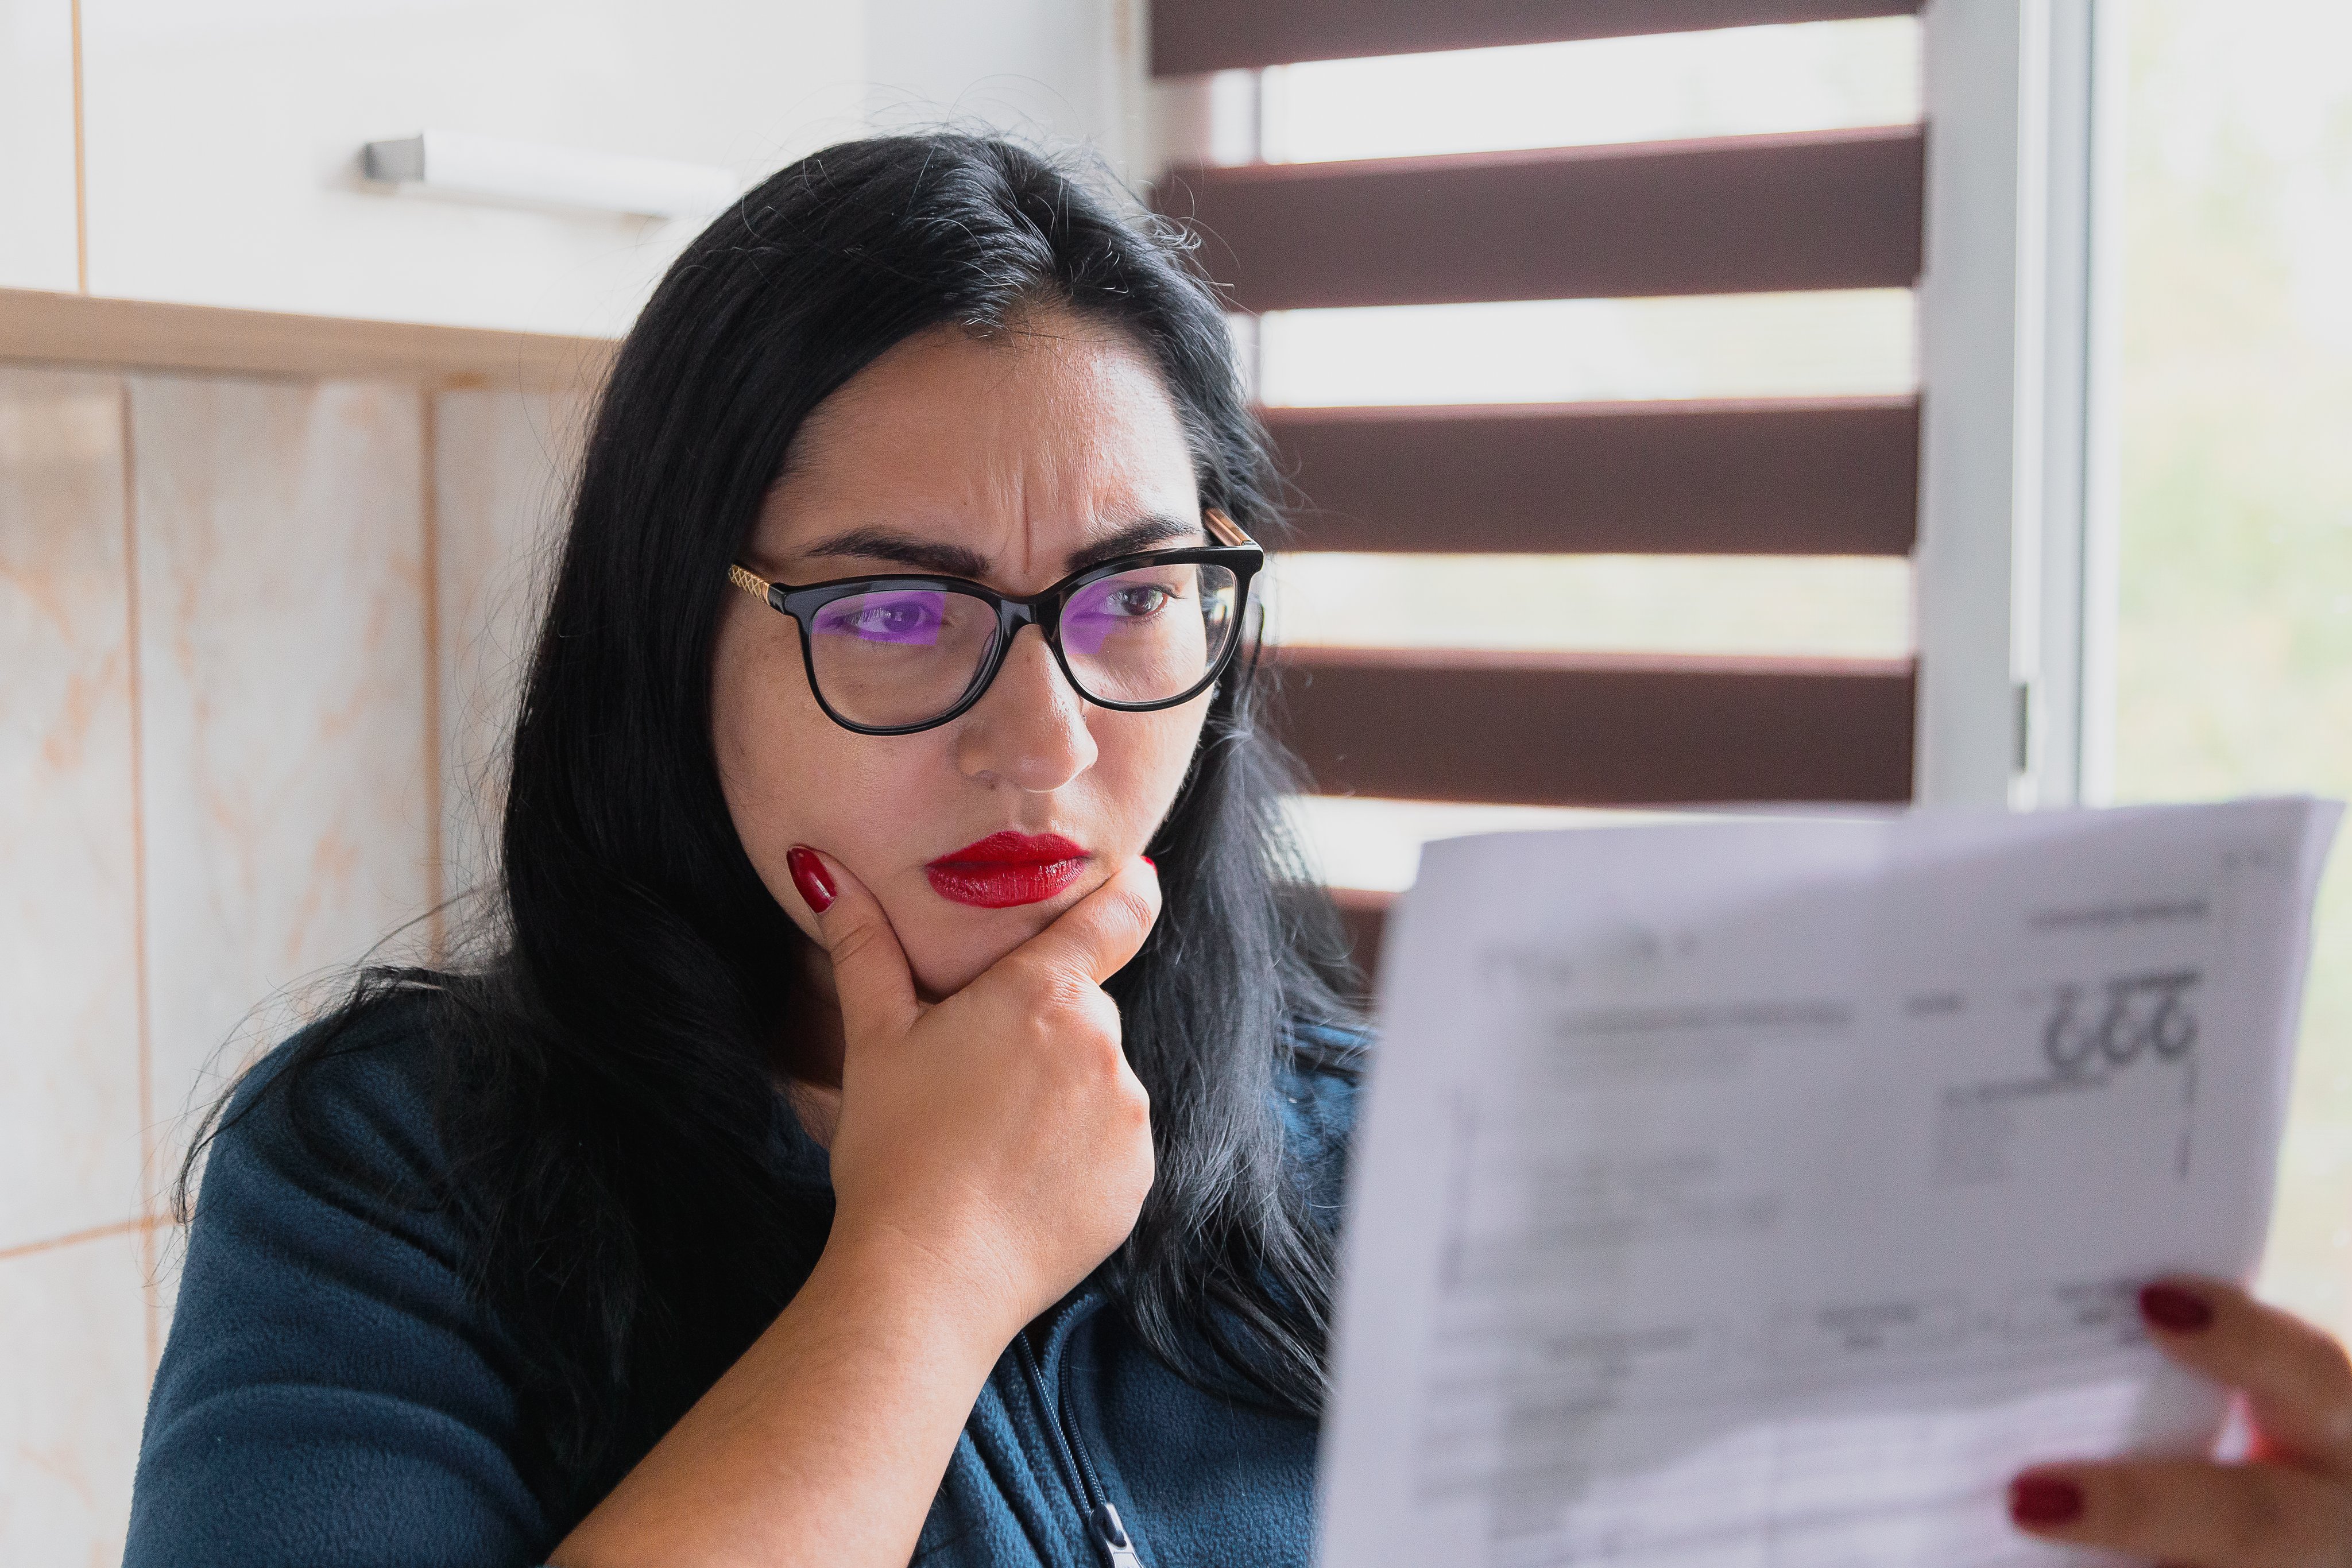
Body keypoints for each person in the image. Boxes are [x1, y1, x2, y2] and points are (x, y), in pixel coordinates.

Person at [123, 134, 2352, 1568]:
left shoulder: (1407, 1157)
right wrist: (920, 1276)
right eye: (895, 612)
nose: (1046, 732)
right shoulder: (391, 1180)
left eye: (1132, 597)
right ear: (665, 640)